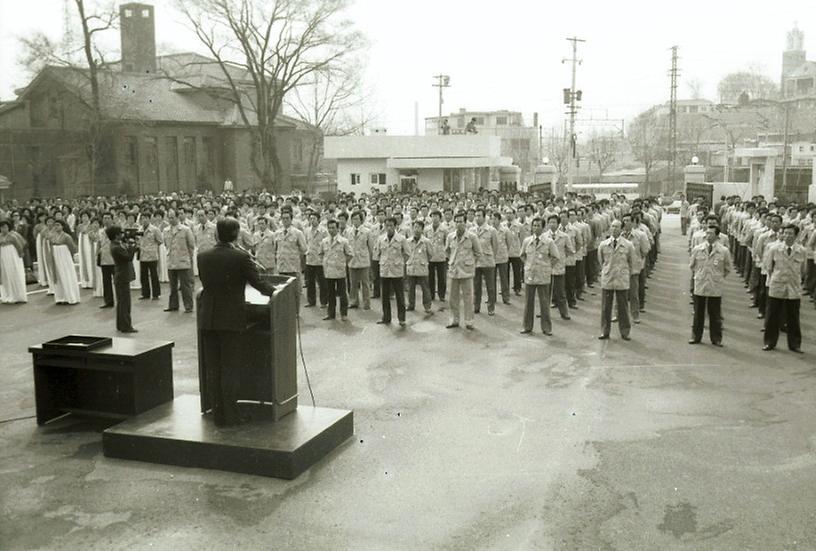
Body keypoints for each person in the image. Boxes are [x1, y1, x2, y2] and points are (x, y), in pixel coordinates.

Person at [197, 217, 276, 426]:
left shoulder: (202, 256)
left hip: (208, 319)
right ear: (236, 234)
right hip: (231, 320)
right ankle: (232, 416)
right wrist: (278, 293)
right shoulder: (240, 257)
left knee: (214, 368)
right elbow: (258, 283)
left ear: (216, 235)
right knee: (230, 369)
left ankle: (218, 415)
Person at [763, 224, 806, 353]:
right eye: (785, 233)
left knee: (793, 317)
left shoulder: (801, 251)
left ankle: (794, 344)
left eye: (790, 234)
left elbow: (803, 271)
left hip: (793, 287)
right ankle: (769, 342)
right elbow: (769, 267)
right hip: (777, 286)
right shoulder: (774, 249)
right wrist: (776, 278)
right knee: (772, 316)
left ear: (796, 235)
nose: (787, 236)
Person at [688, 226, 731, 346]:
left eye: (711, 233)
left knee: (715, 313)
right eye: (707, 233)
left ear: (717, 236)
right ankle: (696, 336)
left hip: (715, 284)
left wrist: (717, 277)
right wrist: (701, 274)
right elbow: (692, 265)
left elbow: (727, 268)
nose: (708, 235)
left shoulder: (723, 251)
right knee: (698, 313)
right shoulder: (698, 249)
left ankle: (716, 338)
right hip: (701, 283)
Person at [519, 217, 560, 335]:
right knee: (528, 302)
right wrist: (528, 265)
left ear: (543, 227)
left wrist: (547, 267)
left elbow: (556, 257)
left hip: (543, 276)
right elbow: (522, 255)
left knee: (544, 303)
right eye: (534, 225)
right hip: (530, 275)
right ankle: (527, 326)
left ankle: (546, 328)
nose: (536, 228)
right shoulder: (527, 241)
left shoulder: (548, 242)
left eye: (538, 225)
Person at [597, 220, 634, 340]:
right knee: (605, 307)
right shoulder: (603, 244)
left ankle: (625, 331)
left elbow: (631, 263)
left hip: (621, 278)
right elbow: (601, 261)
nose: (614, 229)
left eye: (617, 227)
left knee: (622, 307)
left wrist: (626, 274)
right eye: (612, 226)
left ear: (622, 229)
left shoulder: (628, 245)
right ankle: (604, 331)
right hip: (608, 277)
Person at [445, 211, 482, 330]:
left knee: (468, 297)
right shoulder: (450, 236)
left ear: (465, 223)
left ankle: (469, 321)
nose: (458, 224)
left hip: (466, 271)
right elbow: (447, 251)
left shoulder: (472, 237)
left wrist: (470, 263)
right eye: (456, 222)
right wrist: (452, 261)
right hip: (454, 270)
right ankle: (454, 320)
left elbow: (478, 253)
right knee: (452, 298)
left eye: (460, 222)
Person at [375, 217, 409, 326]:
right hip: (385, 270)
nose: (389, 228)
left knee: (399, 296)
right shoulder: (381, 239)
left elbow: (407, 253)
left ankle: (402, 318)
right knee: (384, 296)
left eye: (391, 226)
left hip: (396, 270)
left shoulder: (401, 239)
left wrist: (399, 262)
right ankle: (386, 317)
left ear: (395, 226)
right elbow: (377, 253)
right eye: (387, 226)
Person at [163, 209, 196, 313]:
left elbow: (191, 245)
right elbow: (166, 244)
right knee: (172, 286)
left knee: (185, 286)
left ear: (177, 217)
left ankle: (188, 306)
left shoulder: (185, 229)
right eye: (169, 217)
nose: (171, 219)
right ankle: (173, 305)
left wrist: (187, 258)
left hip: (182, 261)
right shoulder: (166, 230)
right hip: (171, 261)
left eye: (173, 217)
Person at [107, 225, 138, 333]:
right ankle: (126, 325)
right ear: (116, 235)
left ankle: (121, 325)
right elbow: (128, 257)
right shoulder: (117, 247)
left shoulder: (115, 245)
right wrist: (133, 247)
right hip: (122, 276)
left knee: (121, 302)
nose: (122, 235)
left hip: (120, 276)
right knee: (125, 303)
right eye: (120, 233)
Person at [320, 219, 352, 321]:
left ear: (337, 229)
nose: (331, 230)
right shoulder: (324, 241)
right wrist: (326, 262)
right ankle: (331, 313)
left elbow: (350, 254)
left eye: (333, 227)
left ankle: (344, 313)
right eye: (329, 228)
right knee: (330, 293)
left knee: (342, 293)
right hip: (329, 271)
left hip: (340, 271)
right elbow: (320, 254)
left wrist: (342, 262)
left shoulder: (343, 241)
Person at [405, 220, 433, 314]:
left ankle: (427, 306)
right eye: (415, 227)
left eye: (419, 227)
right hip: (411, 267)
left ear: (422, 229)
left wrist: (423, 261)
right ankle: (411, 304)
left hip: (422, 268)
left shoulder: (426, 241)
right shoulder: (408, 241)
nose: (416, 229)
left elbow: (430, 255)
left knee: (425, 288)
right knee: (410, 288)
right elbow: (405, 253)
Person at [346, 210, 372, 310]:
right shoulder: (348, 232)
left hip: (363, 261)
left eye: (357, 219)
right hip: (352, 261)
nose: (354, 221)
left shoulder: (367, 231)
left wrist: (368, 259)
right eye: (353, 219)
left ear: (361, 220)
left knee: (365, 283)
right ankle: (353, 301)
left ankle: (366, 303)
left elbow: (370, 247)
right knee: (353, 283)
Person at [50, 220, 80, 305]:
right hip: (56, 257)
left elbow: (73, 248)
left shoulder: (67, 237)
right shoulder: (53, 236)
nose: (56, 227)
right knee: (58, 276)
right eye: (55, 225)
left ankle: (69, 297)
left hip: (64, 258)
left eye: (58, 225)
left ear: (63, 226)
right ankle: (60, 297)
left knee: (66, 275)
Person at [304, 211, 328, 308]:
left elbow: (327, 244)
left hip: (320, 260)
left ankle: (324, 302)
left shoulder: (323, 231)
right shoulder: (307, 230)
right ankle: (311, 301)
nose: (312, 220)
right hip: (310, 259)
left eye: (314, 218)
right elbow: (305, 243)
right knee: (310, 282)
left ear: (319, 220)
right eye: (311, 218)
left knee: (322, 282)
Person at [0, 219, 27, 304]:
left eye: (5, 227)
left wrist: (20, 255)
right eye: (1, 228)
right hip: (3, 256)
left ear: (8, 227)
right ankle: (8, 295)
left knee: (14, 272)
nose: (3, 229)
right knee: (5, 274)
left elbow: (19, 246)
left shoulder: (13, 235)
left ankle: (18, 296)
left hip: (13, 255)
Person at [138, 212, 163, 300]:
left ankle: (156, 294)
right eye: (142, 218)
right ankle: (145, 294)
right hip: (142, 255)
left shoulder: (155, 229)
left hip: (152, 255)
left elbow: (160, 241)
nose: (144, 220)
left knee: (154, 275)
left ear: (149, 219)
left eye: (146, 218)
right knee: (143, 276)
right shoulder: (139, 229)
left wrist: (152, 247)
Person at [97, 212, 115, 308]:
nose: (106, 220)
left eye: (108, 218)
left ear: (112, 219)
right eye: (104, 218)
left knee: (118, 282)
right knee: (106, 282)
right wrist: (97, 255)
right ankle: (108, 301)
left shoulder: (116, 230)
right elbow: (99, 244)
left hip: (115, 259)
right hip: (104, 259)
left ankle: (121, 300)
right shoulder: (100, 231)